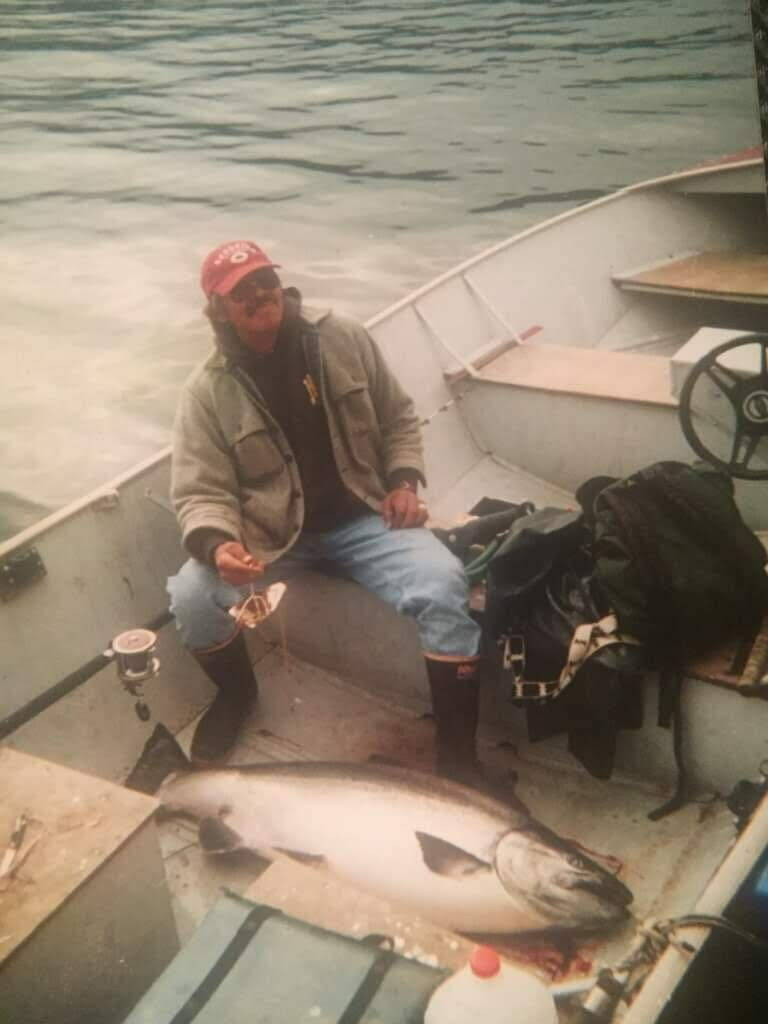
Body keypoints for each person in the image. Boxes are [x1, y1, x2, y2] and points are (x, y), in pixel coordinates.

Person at [167, 239, 484, 783]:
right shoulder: (204, 390)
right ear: (217, 309)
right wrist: (219, 545)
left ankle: (458, 759)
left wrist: (404, 481)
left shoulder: (344, 337)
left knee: (443, 584)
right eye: (240, 290)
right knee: (190, 596)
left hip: (365, 516)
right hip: (271, 538)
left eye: (265, 278)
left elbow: (399, 418)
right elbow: (199, 491)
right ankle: (238, 696)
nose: (258, 294)